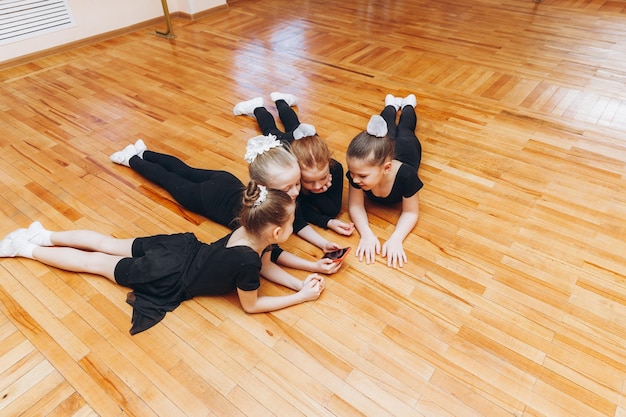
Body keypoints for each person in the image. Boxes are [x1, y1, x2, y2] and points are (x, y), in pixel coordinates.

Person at [0, 182, 325, 335]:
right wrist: (300, 297)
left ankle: (44, 235)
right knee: (94, 263)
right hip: (168, 274)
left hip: (179, 248)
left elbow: (268, 265)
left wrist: (300, 282)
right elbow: (251, 306)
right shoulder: (248, 262)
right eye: (292, 221)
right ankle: (26, 248)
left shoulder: (247, 230)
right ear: (277, 234)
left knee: (106, 244)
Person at [109, 135, 342, 275]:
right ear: (262, 186)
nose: (295, 192)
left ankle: (144, 152)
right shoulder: (259, 216)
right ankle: (133, 158)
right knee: (172, 178)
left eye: (297, 184)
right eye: (287, 188)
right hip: (202, 197)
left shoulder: (280, 197)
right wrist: (311, 266)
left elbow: (298, 220)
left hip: (225, 179)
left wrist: (323, 244)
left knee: (185, 170)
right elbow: (272, 255)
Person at [234, 92, 355, 236]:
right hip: (286, 143)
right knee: (270, 131)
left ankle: (281, 100)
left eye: (322, 178)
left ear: (329, 165)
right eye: (308, 181)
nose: (317, 186)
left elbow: (333, 210)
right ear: (298, 172)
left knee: (295, 125)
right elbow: (299, 210)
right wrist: (319, 200)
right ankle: (257, 107)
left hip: (306, 144)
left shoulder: (335, 168)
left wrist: (312, 191)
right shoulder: (291, 171)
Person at [345, 94, 423, 269]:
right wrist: (366, 234)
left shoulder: (407, 176)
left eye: (362, 176)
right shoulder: (357, 173)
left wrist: (396, 239)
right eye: (352, 173)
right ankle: (391, 106)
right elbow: (355, 206)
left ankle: (408, 105)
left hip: (406, 146)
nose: (354, 179)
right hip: (382, 152)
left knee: (405, 128)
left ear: (386, 168)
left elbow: (411, 213)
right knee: (387, 125)